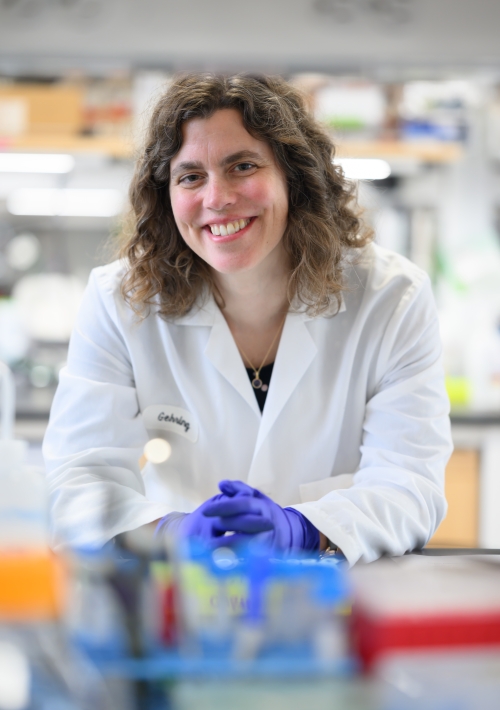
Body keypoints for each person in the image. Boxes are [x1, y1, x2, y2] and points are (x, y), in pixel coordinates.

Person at [43, 73, 453, 565]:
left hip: (332, 598)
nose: (216, 198)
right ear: (166, 197)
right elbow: (79, 482)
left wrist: (302, 529)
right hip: (181, 595)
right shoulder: (119, 302)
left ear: (294, 178)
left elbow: (409, 484)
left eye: (242, 166)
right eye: (190, 176)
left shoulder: (391, 299)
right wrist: (170, 530)